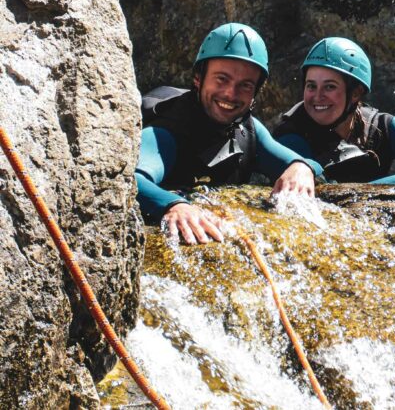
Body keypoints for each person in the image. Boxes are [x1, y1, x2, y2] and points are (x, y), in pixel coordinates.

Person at [136, 23, 323, 245]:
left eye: (245, 85)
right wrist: (174, 205)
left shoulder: (249, 131)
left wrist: (301, 167)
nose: (230, 94)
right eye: (221, 79)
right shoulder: (166, 131)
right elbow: (133, 180)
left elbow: (303, 164)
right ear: (198, 78)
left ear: (255, 93)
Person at [274, 37, 395, 188]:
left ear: (356, 93)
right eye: (311, 86)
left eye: (329, 87)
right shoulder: (291, 135)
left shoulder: (379, 127)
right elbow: (325, 192)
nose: (317, 96)